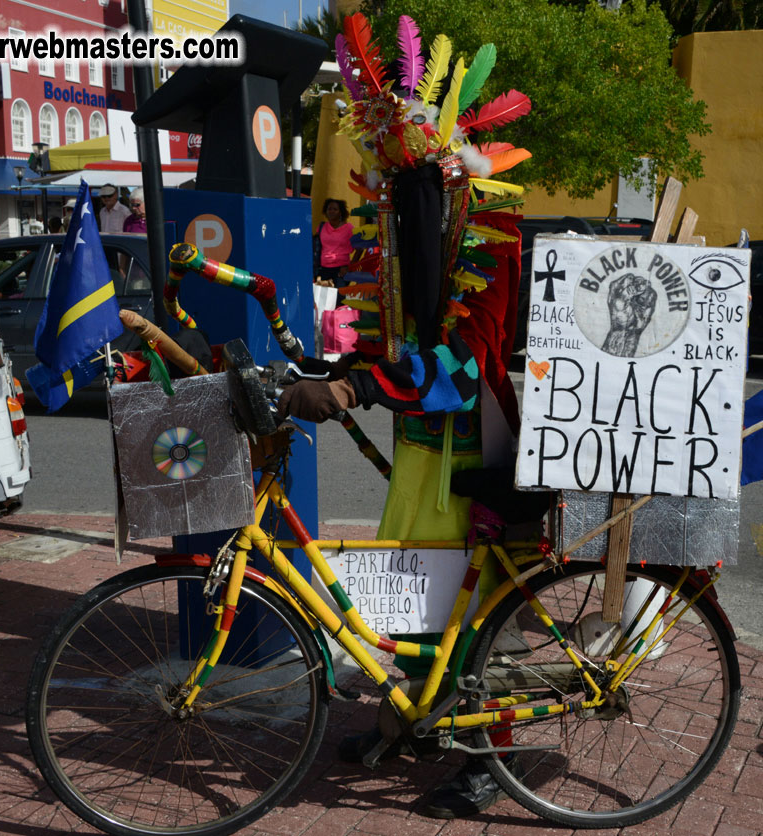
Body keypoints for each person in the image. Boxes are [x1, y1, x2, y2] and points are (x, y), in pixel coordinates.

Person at [275, 15, 532, 820]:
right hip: (419, 442)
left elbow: (463, 360)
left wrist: (358, 391)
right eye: (388, 174)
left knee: (483, 601)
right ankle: (411, 716)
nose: (394, 189)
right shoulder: (387, 227)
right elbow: (385, 333)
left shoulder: (492, 229)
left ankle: (495, 753)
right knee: (417, 589)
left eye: (410, 174)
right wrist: (338, 368)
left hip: (476, 433)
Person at [315, 198, 353, 285]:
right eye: (329, 209)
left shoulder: (349, 228)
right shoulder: (322, 227)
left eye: (335, 209)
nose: (331, 211)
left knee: (339, 297)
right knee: (324, 297)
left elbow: (360, 247)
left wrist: (350, 267)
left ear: (340, 212)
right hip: (323, 269)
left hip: (341, 269)